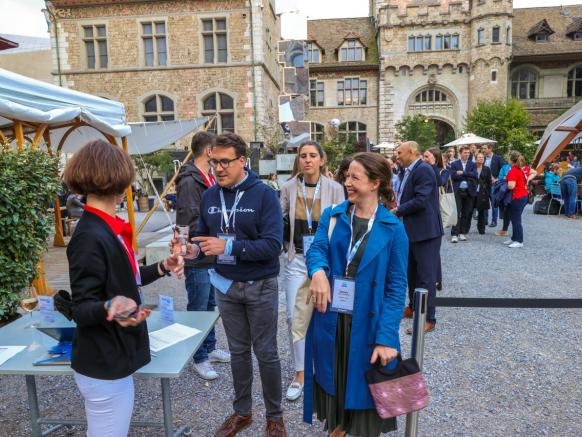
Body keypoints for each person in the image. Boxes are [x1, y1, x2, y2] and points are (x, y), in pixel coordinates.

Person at [63, 139, 184, 437]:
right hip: (103, 362)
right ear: (118, 179)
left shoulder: (104, 227)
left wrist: (162, 266)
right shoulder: (91, 235)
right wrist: (109, 306)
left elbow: (126, 279)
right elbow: (81, 307)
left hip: (110, 357)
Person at [304, 152, 408, 437]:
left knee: (364, 397)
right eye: (346, 176)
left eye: (354, 177)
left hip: (368, 325)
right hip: (333, 320)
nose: (346, 182)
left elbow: (397, 287)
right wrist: (318, 272)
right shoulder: (333, 215)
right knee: (335, 385)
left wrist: (387, 337)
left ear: (375, 183)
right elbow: (316, 250)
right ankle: (336, 431)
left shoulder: (393, 228)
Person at [191, 132, 287, 437]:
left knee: (266, 352)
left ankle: (275, 417)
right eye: (213, 162)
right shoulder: (209, 195)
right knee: (238, 352)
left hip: (260, 286)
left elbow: (273, 246)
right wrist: (189, 249)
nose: (218, 168)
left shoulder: (264, 195)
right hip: (226, 287)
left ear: (242, 161)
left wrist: (228, 248)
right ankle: (242, 413)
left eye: (224, 162)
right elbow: (204, 240)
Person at [279, 140, 344, 402]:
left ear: (321, 159)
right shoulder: (287, 187)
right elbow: (279, 218)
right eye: (303, 155)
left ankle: (326, 369)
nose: (307, 160)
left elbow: (342, 224)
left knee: (326, 313)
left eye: (312, 155)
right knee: (296, 317)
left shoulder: (335, 189)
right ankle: (301, 373)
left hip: (325, 260)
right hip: (296, 258)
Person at [175, 131, 231, 380]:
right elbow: (186, 218)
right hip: (198, 254)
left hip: (211, 253)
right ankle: (198, 357)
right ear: (209, 152)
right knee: (198, 306)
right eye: (217, 152)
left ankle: (208, 347)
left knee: (210, 304)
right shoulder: (190, 181)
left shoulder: (206, 178)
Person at [394, 142, 443, 333]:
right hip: (412, 231)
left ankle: (429, 319)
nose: (397, 155)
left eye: (400, 152)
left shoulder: (424, 170)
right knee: (412, 273)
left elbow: (421, 200)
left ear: (412, 152)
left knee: (426, 277)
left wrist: (398, 210)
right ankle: (413, 307)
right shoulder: (408, 170)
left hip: (426, 232)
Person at [450, 145, 477, 242]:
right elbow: (453, 176)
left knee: (467, 212)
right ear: (460, 153)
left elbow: (474, 175)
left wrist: (463, 173)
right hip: (458, 191)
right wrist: (467, 175)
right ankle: (454, 234)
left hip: (469, 191)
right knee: (456, 212)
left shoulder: (472, 164)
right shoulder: (454, 164)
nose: (467, 154)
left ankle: (462, 232)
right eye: (465, 153)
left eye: (468, 153)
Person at [504, 151, 531, 248]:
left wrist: (503, 187)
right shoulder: (520, 169)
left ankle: (519, 241)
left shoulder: (513, 171)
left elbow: (511, 186)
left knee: (516, 220)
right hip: (523, 196)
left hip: (517, 197)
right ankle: (514, 238)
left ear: (511, 160)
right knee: (514, 218)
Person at [481, 144, 506, 227]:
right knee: (484, 202)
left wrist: (498, 179)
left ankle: (494, 221)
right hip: (484, 184)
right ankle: (485, 220)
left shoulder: (497, 158)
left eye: (484, 148)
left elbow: (505, 168)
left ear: (490, 149)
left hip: (494, 184)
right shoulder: (482, 158)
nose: (483, 150)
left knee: (494, 203)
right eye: (482, 149)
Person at [474, 152, 492, 234]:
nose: (481, 159)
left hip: (482, 193)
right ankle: (465, 229)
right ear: (475, 159)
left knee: (481, 211)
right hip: (472, 192)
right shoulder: (472, 167)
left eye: (482, 157)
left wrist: (487, 192)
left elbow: (489, 182)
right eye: (479, 157)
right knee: (469, 210)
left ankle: (481, 229)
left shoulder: (487, 169)